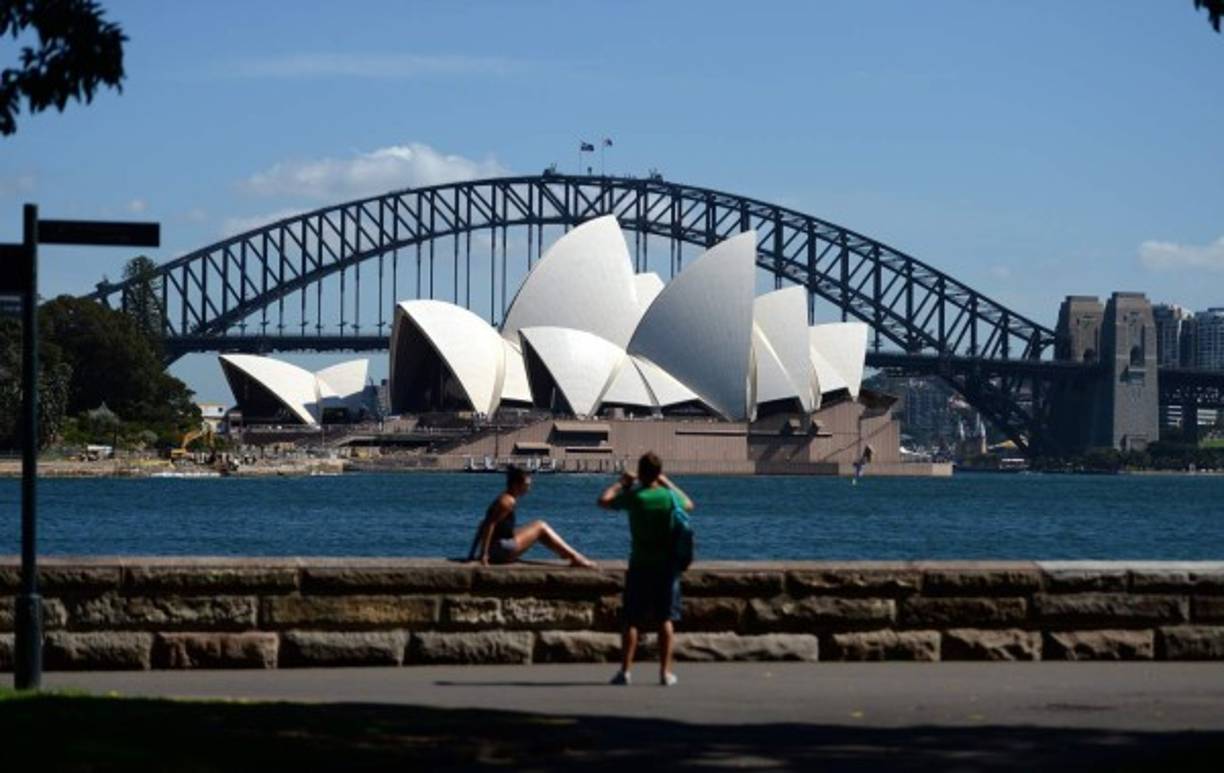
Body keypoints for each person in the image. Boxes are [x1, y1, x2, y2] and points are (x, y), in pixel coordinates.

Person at [597, 452, 694, 687]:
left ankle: (625, 671)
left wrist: (622, 483)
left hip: (640, 564)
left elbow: (604, 501)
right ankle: (665, 672)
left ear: (640, 473)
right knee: (665, 619)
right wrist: (666, 481)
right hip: (666, 566)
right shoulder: (669, 498)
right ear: (658, 473)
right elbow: (689, 504)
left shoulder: (635, 497)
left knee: (631, 620)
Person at [470, 465, 595, 567]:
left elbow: (483, 524)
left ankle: (566, 554)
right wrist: (483, 555)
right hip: (501, 551)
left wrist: (471, 554)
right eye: (526, 485)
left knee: (538, 529)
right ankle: (574, 557)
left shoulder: (503, 498)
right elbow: (489, 525)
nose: (528, 489)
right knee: (540, 526)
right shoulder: (507, 502)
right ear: (515, 485)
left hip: (497, 549)